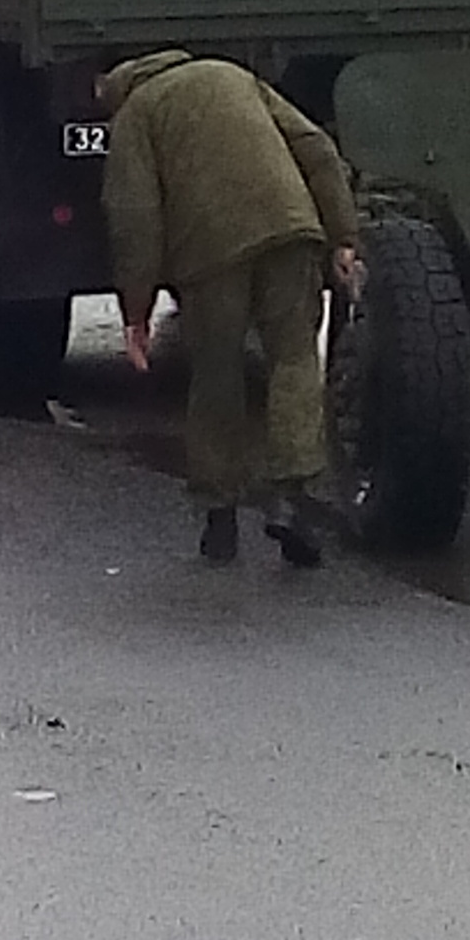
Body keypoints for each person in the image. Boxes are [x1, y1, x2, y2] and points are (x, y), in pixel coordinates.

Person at [96, 50, 358, 567]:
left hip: (209, 255)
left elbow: (136, 216)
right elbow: (317, 149)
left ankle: (219, 515)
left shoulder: (136, 115)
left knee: (217, 375)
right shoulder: (234, 76)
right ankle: (292, 498)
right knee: (294, 361)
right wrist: (344, 236)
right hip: (292, 230)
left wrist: (136, 310)